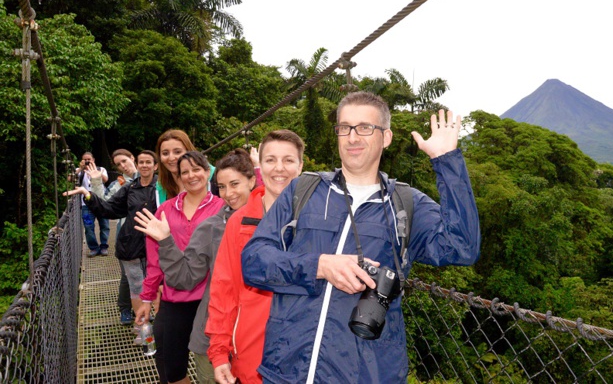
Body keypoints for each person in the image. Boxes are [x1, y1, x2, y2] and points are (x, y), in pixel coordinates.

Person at [242, 92, 481, 383]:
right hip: (286, 370)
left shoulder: (405, 204)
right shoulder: (303, 191)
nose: (353, 137)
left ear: (387, 137)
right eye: (345, 127)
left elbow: (463, 248)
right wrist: (319, 266)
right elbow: (253, 262)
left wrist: (447, 162)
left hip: (364, 374)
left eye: (365, 128)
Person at [134, 148, 259, 384]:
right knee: (173, 366)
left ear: (252, 181)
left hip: (256, 332)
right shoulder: (211, 226)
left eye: (235, 184)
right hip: (213, 325)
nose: (229, 193)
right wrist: (165, 242)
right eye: (222, 186)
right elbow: (184, 276)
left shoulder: (274, 220)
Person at [207, 130, 305, 384]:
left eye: (288, 160)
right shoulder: (239, 222)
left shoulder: (320, 220)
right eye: (271, 160)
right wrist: (219, 352)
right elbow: (224, 288)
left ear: (301, 165)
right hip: (252, 358)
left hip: (304, 356)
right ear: (261, 166)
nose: (279, 169)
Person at [64, 150, 159, 326]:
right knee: (135, 284)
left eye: (148, 162)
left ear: (155, 165)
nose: (123, 166)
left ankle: (157, 325)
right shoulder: (125, 186)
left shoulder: (163, 186)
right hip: (132, 242)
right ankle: (138, 323)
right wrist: (89, 192)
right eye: (118, 164)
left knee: (158, 285)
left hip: (159, 243)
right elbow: (108, 206)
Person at [90, 148, 140, 326]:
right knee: (129, 275)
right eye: (119, 164)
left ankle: (142, 308)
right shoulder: (119, 183)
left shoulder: (151, 177)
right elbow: (103, 204)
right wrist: (96, 181)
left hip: (149, 234)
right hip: (126, 235)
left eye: (125, 161)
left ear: (133, 158)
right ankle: (125, 308)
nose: (123, 166)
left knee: (150, 273)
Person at [76, 152, 110, 257]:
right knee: (88, 226)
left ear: (93, 159)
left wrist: (96, 173)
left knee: (105, 225)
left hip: (101, 203)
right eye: (85, 159)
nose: (87, 161)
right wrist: (81, 169)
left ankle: (104, 246)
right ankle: (94, 248)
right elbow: (70, 179)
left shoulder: (101, 169)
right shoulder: (79, 171)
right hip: (86, 204)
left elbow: (106, 179)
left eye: (89, 159)